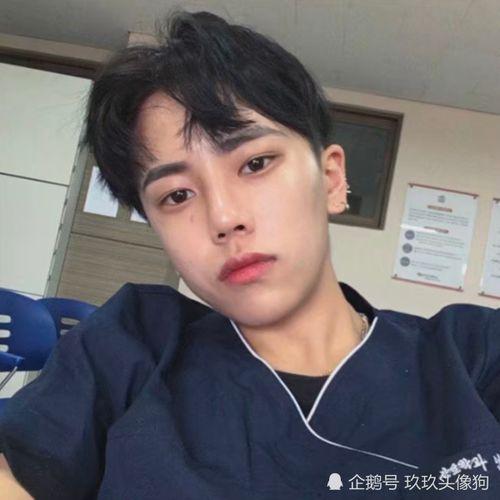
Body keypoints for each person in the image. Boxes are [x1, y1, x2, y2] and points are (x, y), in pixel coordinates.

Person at [1, 9, 499, 500]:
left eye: (255, 163)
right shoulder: (134, 346)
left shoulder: (472, 356)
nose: (224, 218)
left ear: (331, 180)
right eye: (176, 195)